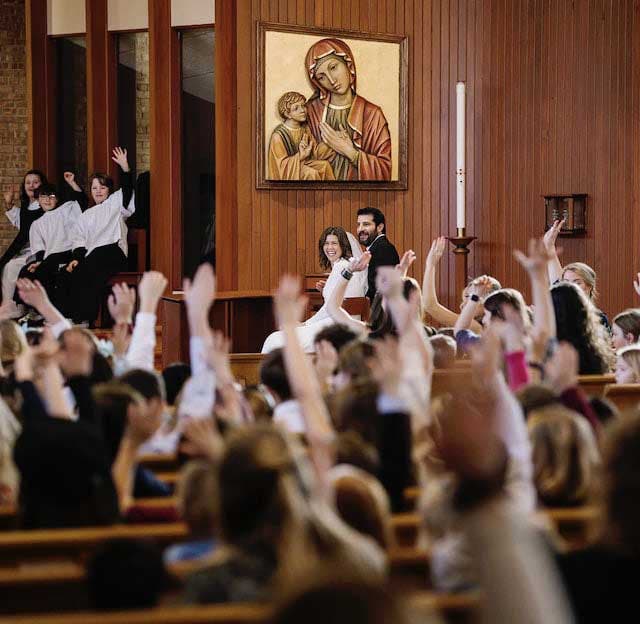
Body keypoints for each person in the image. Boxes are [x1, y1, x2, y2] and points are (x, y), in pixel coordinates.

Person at [261, 226, 366, 353]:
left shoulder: (342, 267)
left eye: (334, 243)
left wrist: (305, 323)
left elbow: (330, 309)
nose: (330, 248)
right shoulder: (343, 265)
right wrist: (325, 291)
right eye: (326, 243)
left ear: (343, 246)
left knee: (275, 339)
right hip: (343, 322)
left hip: (336, 324)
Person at [61, 147, 135, 325]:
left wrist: (125, 168)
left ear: (109, 189)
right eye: (94, 188)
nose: (98, 191)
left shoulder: (115, 202)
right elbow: (79, 239)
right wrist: (76, 258)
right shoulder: (86, 215)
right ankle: (70, 317)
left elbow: (127, 189)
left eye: (103, 187)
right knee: (68, 272)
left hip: (114, 252)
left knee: (89, 266)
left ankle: (84, 318)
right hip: (91, 255)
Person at [304, 38, 392, 181]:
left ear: (348, 63)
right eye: (322, 77)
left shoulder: (372, 114)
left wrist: (349, 152)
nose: (332, 80)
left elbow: (385, 171)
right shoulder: (311, 112)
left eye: (333, 68)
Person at [15, 173, 85, 311]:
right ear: (38, 200)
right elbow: (39, 247)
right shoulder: (37, 223)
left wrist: (72, 182)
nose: (47, 200)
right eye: (43, 196)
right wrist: (39, 261)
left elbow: (81, 200)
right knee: (25, 272)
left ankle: (49, 310)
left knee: (44, 271)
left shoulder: (66, 209)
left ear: (57, 198)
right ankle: (34, 310)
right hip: (49, 256)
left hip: (68, 252)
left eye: (51, 196)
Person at [543, 219, 610, 329]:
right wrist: (549, 245)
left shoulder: (599, 318)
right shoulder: (559, 314)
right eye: (567, 283)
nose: (571, 287)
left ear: (589, 286)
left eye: (577, 283)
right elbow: (559, 285)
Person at [0, 169, 47, 317]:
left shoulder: (46, 205)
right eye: (28, 182)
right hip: (27, 249)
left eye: (35, 182)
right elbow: (23, 225)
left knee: (12, 266)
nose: (32, 185)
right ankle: (8, 304)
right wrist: (8, 204)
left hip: (41, 249)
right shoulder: (26, 207)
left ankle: (16, 306)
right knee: (6, 265)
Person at [267, 91, 335, 181]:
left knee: (325, 166)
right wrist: (300, 156)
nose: (302, 110)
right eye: (296, 108)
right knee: (311, 173)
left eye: (303, 106)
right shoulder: (278, 136)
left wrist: (332, 141)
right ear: (287, 114)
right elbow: (280, 167)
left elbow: (315, 152)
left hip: (303, 163)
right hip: (291, 172)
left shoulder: (305, 129)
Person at [356, 207, 399, 301]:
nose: (360, 229)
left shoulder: (383, 249)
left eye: (366, 224)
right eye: (358, 225)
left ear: (380, 227)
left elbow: (381, 289)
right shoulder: (377, 248)